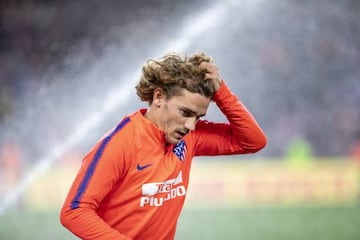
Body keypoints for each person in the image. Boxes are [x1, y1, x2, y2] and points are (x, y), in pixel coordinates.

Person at [60, 52, 267, 240]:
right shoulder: (120, 142)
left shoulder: (190, 137)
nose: (191, 125)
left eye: (198, 116)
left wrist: (221, 92)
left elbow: (253, 141)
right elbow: (74, 210)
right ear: (159, 97)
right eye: (185, 113)